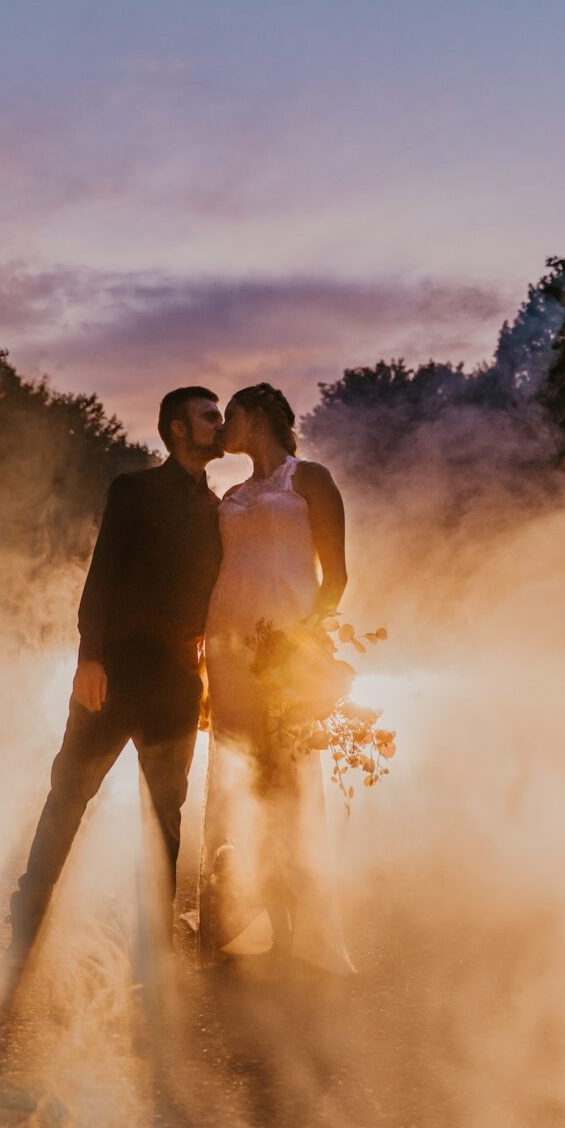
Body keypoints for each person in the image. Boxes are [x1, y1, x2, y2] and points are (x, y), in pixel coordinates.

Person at [8, 386, 225, 959]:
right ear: (178, 429)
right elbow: (101, 576)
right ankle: (28, 907)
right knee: (70, 791)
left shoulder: (216, 507)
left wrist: (208, 675)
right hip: (117, 670)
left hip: (178, 679)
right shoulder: (135, 489)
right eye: (209, 416)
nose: (219, 424)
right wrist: (89, 659)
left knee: (166, 810)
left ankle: (155, 928)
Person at [198, 382, 355, 974]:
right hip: (226, 647)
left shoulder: (309, 478)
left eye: (228, 417)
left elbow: (335, 578)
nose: (221, 430)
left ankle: (298, 926)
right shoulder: (232, 492)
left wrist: (301, 644)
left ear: (257, 416)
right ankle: (241, 917)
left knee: (285, 774)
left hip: (282, 650)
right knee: (242, 774)